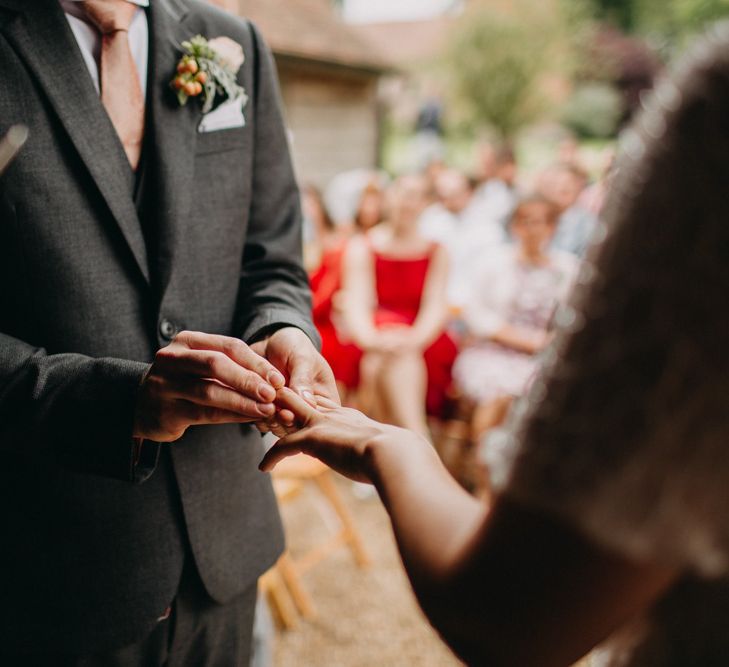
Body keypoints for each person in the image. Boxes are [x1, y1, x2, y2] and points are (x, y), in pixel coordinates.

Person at [262, 26, 729, 666]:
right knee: (385, 354)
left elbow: (514, 616)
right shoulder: (368, 249)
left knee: (404, 360)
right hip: (380, 341)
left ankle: (420, 432)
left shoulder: (719, 98)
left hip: (423, 349)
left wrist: (385, 444)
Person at [0, 0, 336, 663]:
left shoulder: (229, 40)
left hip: (225, 551)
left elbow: (271, 259)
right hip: (46, 564)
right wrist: (119, 403)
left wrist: (284, 327)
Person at [341, 175, 456, 437]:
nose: (407, 202)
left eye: (416, 196)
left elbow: (436, 306)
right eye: (402, 193)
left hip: (423, 339)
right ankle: (417, 437)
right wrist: (372, 339)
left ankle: (385, 443)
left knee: (391, 359)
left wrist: (413, 340)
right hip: (374, 335)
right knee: (382, 357)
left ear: (426, 203)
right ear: (389, 197)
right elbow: (356, 302)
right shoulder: (363, 246)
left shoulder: (438, 251)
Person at [453, 195, 578, 436]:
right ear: (515, 226)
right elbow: (474, 311)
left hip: (544, 358)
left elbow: (576, 316)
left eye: (539, 222)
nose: (531, 229)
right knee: (500, 399)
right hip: (492, 351)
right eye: (525, 221)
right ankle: (487, 464)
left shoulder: (569, 269)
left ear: (552, 227)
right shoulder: (493, 261)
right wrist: (519, 338)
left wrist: (549, 342)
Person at [543, 163, 599, 257]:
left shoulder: (588, 223)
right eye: (555, 184)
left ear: (578, 188)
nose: (560, 188)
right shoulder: (541, 217)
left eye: (567, 184)